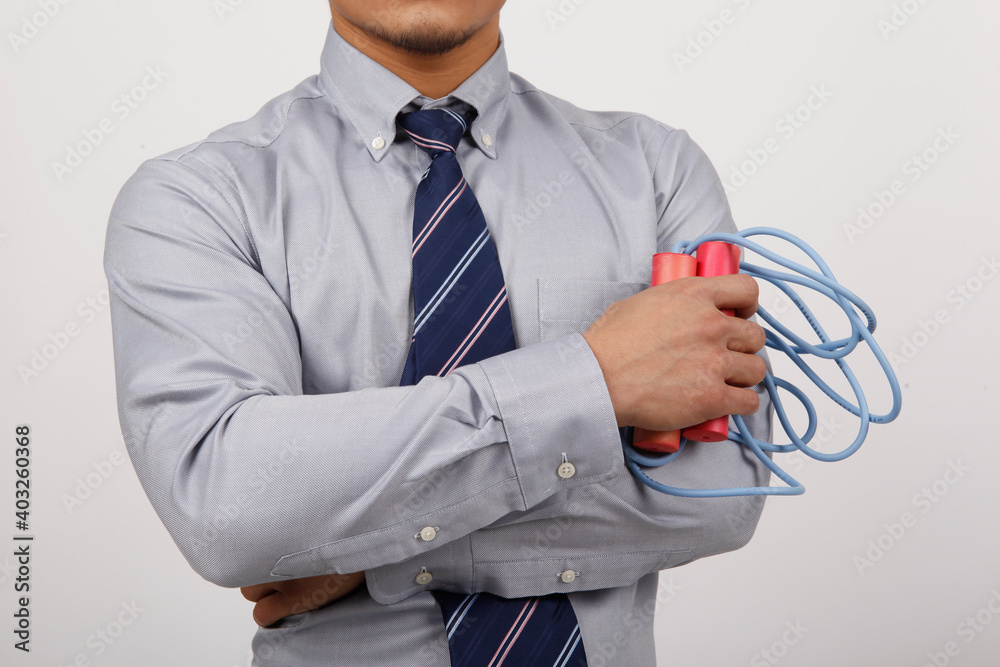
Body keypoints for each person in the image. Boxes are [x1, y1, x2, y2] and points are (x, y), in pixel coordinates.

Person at [103, 1, 772, 664]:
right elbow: (229, 502)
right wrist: (596, 378)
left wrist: (369, 553)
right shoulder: (197, 198)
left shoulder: (655, 173)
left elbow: (721, 492)